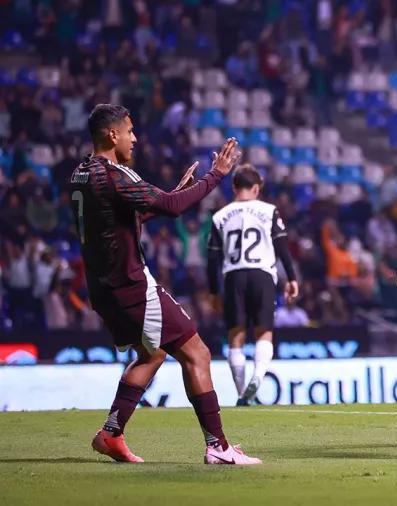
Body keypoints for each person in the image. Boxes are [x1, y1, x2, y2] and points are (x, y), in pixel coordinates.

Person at [71, 104, 261, 465]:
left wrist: (173, 193)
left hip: (101, 289)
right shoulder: (115, 173)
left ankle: (111, 434)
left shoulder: (82, 173)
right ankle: (218, 447)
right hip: (130, 285)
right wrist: (216, 175)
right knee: (197, 353)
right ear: (113, 135)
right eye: (129, 131)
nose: (135, 138)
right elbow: (172, 208)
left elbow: (125, 216)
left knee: (153, 352)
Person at [207, 164, 300, 406]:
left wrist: (214, 292)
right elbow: (282, 246)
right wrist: (291, 277)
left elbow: (212, 259)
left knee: (236, 335)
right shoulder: (269, 211)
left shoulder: (219, 217)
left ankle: (242, 394)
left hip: (233, 276)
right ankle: (257, 378)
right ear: (256, 188)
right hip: (262, 274)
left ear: (234, 188)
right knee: (264, 332)